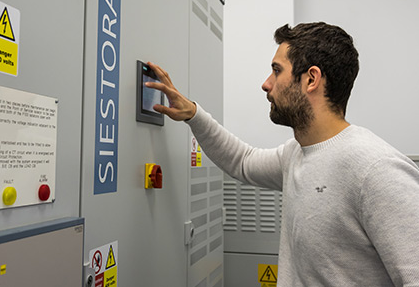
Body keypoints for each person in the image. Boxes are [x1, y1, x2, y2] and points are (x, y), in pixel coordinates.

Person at [145, 22, 419, 286]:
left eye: (277, 71)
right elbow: (242, 161)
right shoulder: (296, 153)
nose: (266, 84)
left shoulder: (376, 169)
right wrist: (193, 114)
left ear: (311, 79)